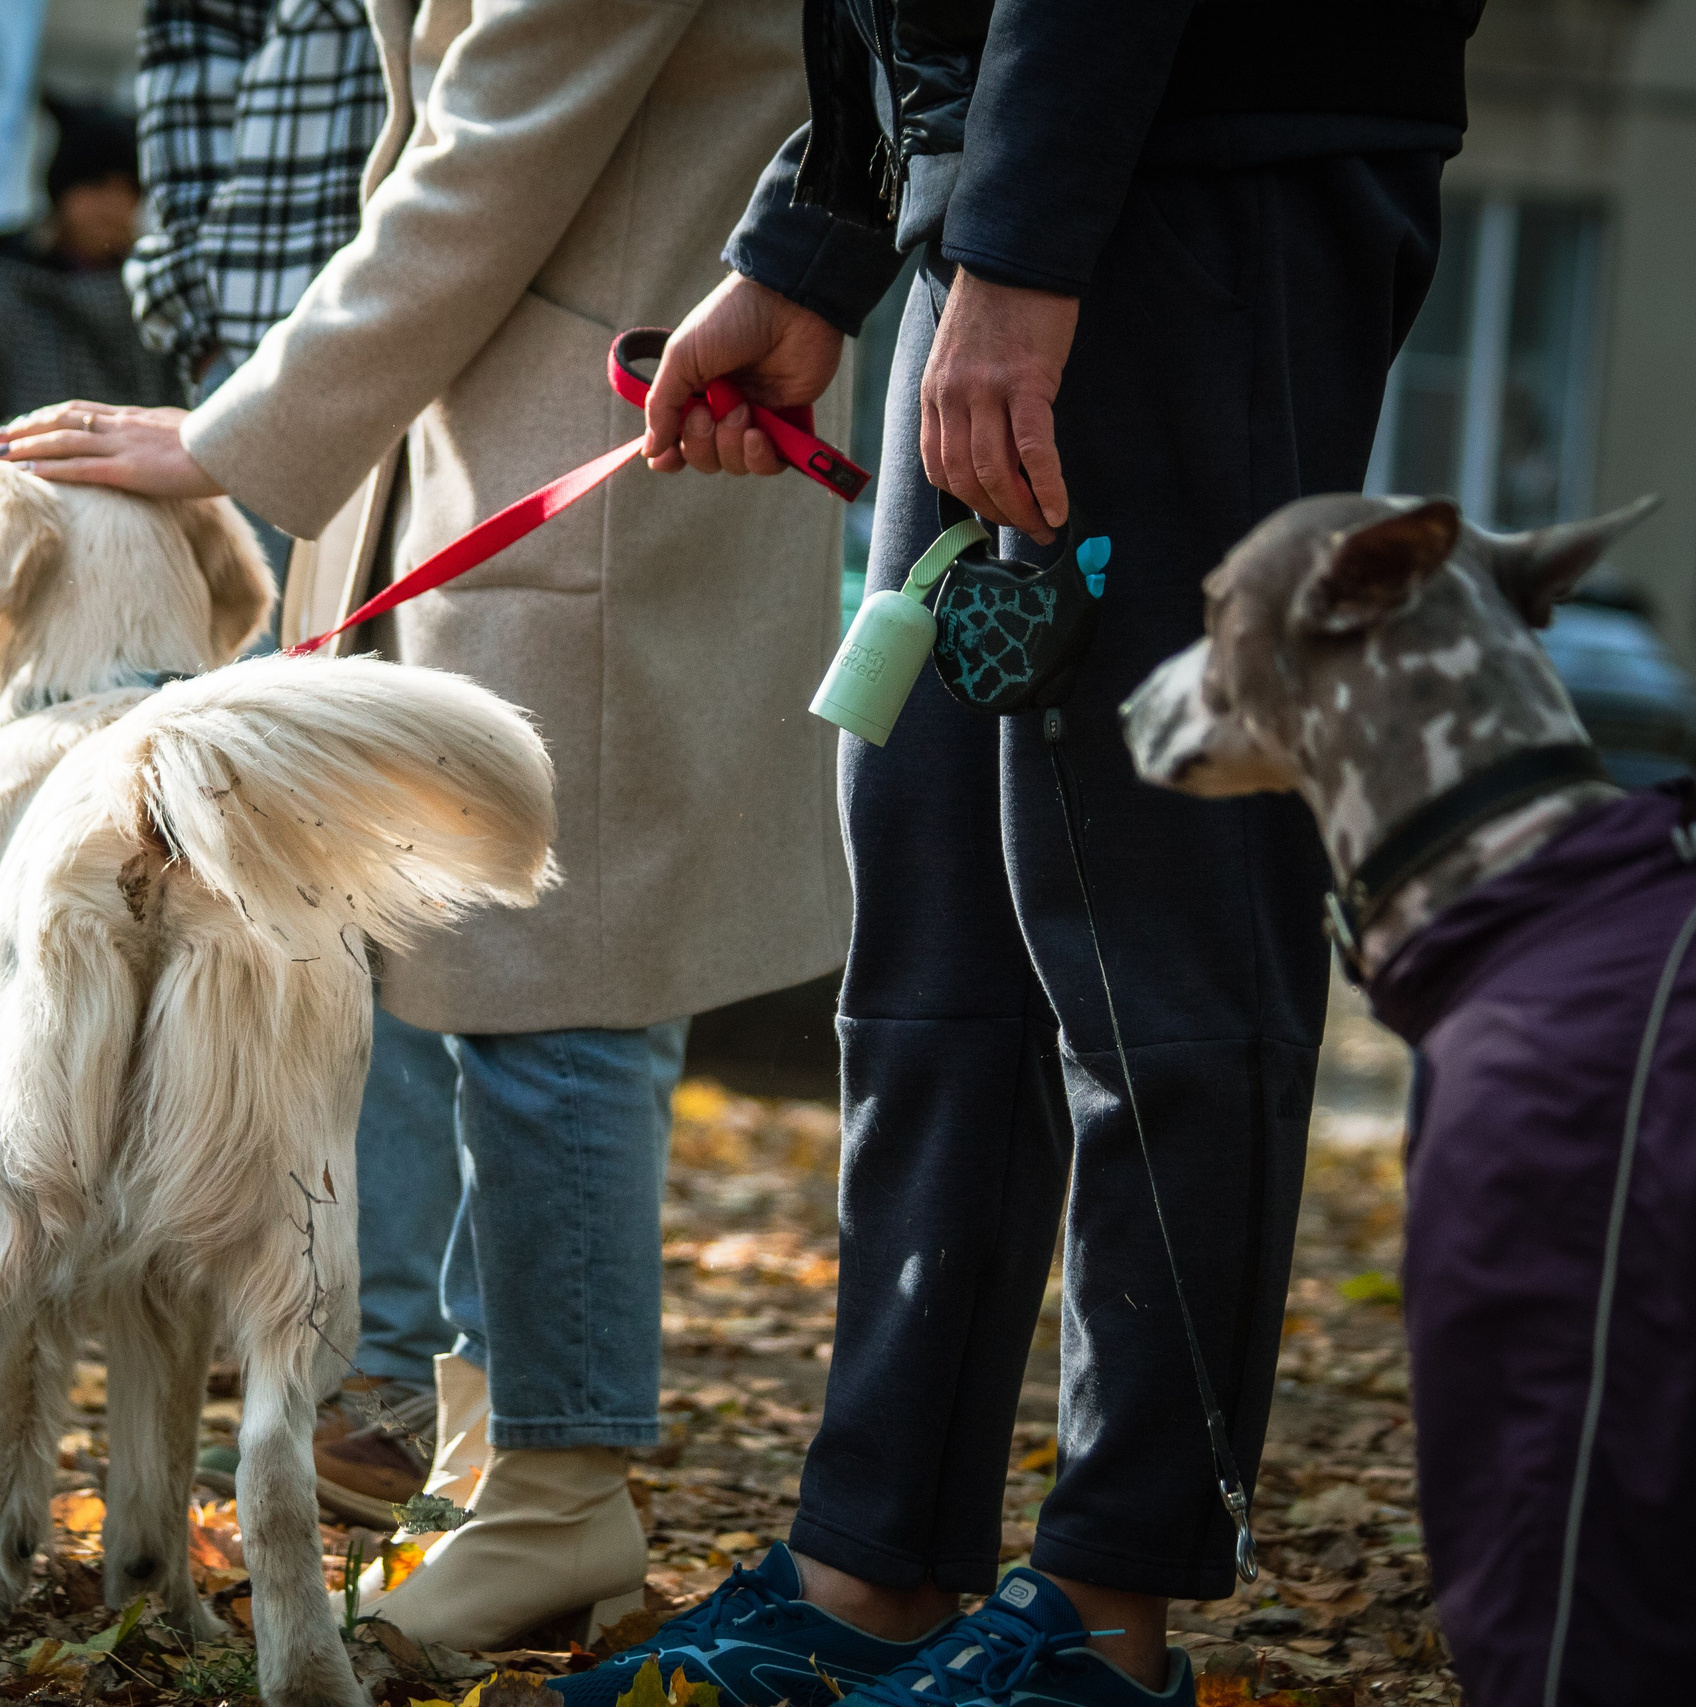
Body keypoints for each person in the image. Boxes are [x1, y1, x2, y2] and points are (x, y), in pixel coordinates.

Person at [559, 4, 1480, 1706]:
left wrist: (1023, 246)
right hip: (998, 198)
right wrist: (819, 240)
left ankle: (1103, 1614)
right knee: (935, 914)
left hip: (1199, 173)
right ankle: (875, 1564)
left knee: (1155, 929)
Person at [0, 0, 853, 1650]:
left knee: (561, 1004)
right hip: (499, 437)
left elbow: (488, 161)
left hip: (585, 440)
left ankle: (557, 1494)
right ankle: (497, 1471)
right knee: (486, 996)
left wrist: (220, 437)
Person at [121, 0, 448, 1512]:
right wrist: (190, 298)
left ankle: (384, 1360)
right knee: (235, 923)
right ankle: (279, 1338)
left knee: (390, 913)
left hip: (402, 379)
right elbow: (186, 52)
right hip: (239, 385)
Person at [0, 102, 179, 486]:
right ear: (62, 192)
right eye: (97, 184)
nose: (113, 205)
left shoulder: (160, 300)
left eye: (129, 189)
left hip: (141, 525)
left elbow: (191, 427)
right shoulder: (8, 300)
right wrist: (2, 500)